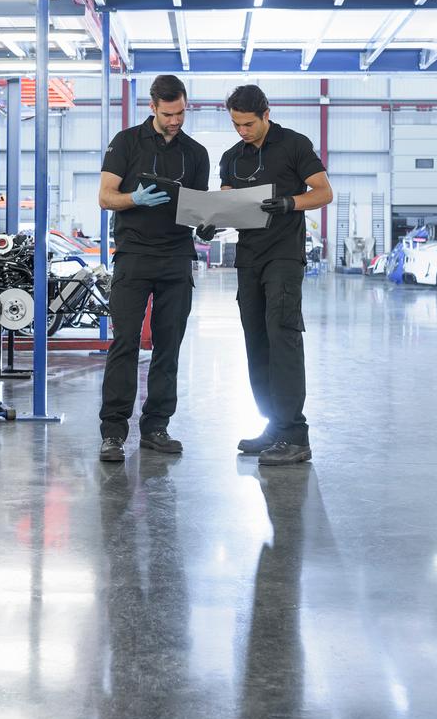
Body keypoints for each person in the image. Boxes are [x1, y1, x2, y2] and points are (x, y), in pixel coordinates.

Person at [97, 74, 211, 461]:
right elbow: (106, 197)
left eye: (181, 112)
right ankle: (113, 432)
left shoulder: (195, 153)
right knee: (125, 343)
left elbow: (198, 208)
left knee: (168, 348)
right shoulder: (126, 142)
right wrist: (134, 199)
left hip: (177, 256)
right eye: (168, 114)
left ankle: (156, 427)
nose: (176, 120)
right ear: (153, 107)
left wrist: (208, 222)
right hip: (133, 256)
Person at [220, 83, 333, 465]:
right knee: (257, 343)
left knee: (282, 338)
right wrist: (210, 221)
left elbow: (323, 192)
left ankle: (295, 434)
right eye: (236, 124)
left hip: (283, 257)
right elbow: (227, 203)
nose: (243, 131)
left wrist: (289, 203)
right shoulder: (232, 157)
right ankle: (273, 428)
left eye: (249, 124)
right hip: (248, 258)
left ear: (266, 114)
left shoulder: (294, 144)